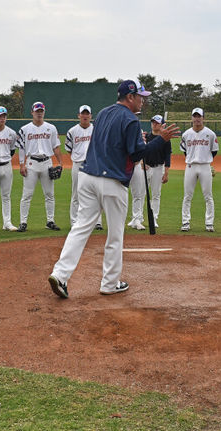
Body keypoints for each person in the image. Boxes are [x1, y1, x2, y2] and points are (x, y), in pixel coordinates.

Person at [47, 79, 178, 298]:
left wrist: (138, 140)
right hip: (112, 181)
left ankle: (60, 275)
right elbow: (136, 154)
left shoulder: (104, 113)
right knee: (115, 235)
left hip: (87, 176)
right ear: (130, 97)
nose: (143, 101)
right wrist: (159, 140)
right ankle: (109, 283)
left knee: (80, 228)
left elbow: (113, 142)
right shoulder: (131, 120)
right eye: (140, 96)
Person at [17, 102, 64, 232]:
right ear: (32, 112)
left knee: (49, 194)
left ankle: (50, 221)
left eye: (41, 110)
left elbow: (56, 146)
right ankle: (23, 222)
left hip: (47, 162)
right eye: (37, 110)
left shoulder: (51, 128)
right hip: (31, 162)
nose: (39, 113)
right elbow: (21, 148)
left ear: (44, 112)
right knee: (27, 194)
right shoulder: (24, 129)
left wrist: (60, 163)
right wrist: (22, 164)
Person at [127, 114, 173, 230]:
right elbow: (141, 151)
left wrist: (166, 172)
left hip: (158, 168)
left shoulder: (165, 139)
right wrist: (142, 162)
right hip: (145, 168)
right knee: (140, 193)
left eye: (157, 122)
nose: (154, 124)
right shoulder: (146, 136)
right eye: (153, 122)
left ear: (162, 124)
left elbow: (167, 156)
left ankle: (154, 218)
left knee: (156, 194)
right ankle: (137, 218)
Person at [180, 108, 218, 232]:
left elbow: (214, 150)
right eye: (195, 116)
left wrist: (206, 160)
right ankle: (185, 222)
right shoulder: (186, 134)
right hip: (190, 166)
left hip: (205, 166)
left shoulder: (210, 134)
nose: (197, 119)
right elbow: (184, 150)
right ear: (192, 118)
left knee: (208, 196)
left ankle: (209, 223)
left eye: (199, 116)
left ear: (203, 118)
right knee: (187, 196)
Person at [64, 105, 97, 229]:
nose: (85, 116)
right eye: (82, 113)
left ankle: (97, 222)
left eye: (87, 113)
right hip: (78, 164)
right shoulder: (72, 131)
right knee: (76, 194)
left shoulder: (96, 129)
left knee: (95, 193)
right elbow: (68, 149)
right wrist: (78, 157)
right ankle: (74, 221)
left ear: (90, 116)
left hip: (93, 164)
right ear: (78, 115)